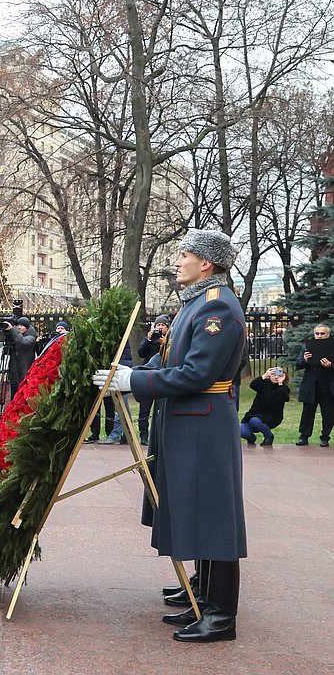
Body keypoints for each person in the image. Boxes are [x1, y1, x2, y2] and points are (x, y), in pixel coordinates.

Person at [94, 228, 247, 643]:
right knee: (194, 506)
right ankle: (203, 591)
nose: (178, 261)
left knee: (212, 513)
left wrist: (134, 383)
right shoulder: (196, 304)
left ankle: (220, 615)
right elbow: (170, 360)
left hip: (203, 422)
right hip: (188, 419)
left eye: (185, 254)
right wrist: (133, 374)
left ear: (207, 263)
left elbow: (196, 374)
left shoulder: (216, 309)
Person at [136, 315, 171, 445]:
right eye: (158, 325)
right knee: (144, 408)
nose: (160, 327)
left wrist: (164, 343)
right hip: (148, 375)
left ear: (168, 327)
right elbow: (141, 353)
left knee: (162, 407)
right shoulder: (149, 339)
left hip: (163, 376)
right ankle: (144, 435)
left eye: (163, 325)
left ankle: (159, 434)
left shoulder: (171, 339)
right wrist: (149, 340)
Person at [296, 324, 333, 446]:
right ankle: (304, 436)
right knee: (307, 412)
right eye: (317, 333)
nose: (319, 336)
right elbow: (299, 364)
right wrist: (305, 360)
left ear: (328, 335)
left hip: (328, 385)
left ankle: (325, 437)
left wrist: (330, 365)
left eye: (322, 333)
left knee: (328, 412)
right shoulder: (307, 346)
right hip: (311, 384)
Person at [240, 368, 291, 446]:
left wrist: (280, 383)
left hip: (272, 416)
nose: (276, 377)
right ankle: (251, 438)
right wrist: (264, 376)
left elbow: (285, 398)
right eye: (273, 375)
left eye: (278, 375)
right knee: (240, 429)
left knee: (254, 421)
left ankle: (269, 436)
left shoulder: (283, 388)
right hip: (254, 414)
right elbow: (253, 385)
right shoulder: (263, 384)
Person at [3, 317, 38, 398]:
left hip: (24, 374)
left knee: (23, 398)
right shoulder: (15, 336)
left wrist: (13, 330)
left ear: (27, 327)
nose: (19, 327)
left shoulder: (31, 337)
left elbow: (23, 343)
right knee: (14, 397)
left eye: (22, 326)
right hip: (14, 374)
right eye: (17, 325)